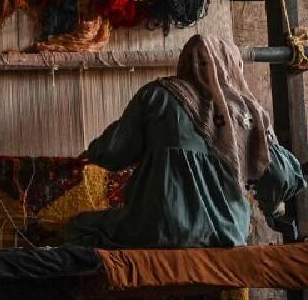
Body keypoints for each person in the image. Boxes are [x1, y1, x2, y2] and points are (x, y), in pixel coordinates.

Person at [67, 34, 305, 248]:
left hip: (158, 229)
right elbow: (280, 176)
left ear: (185, 62)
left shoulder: (157, 95)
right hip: (229, 233)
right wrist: (273, 209)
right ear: (232, 65)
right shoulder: (247, 114)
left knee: (79, 227)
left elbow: (113, 153)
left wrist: (95, 151)